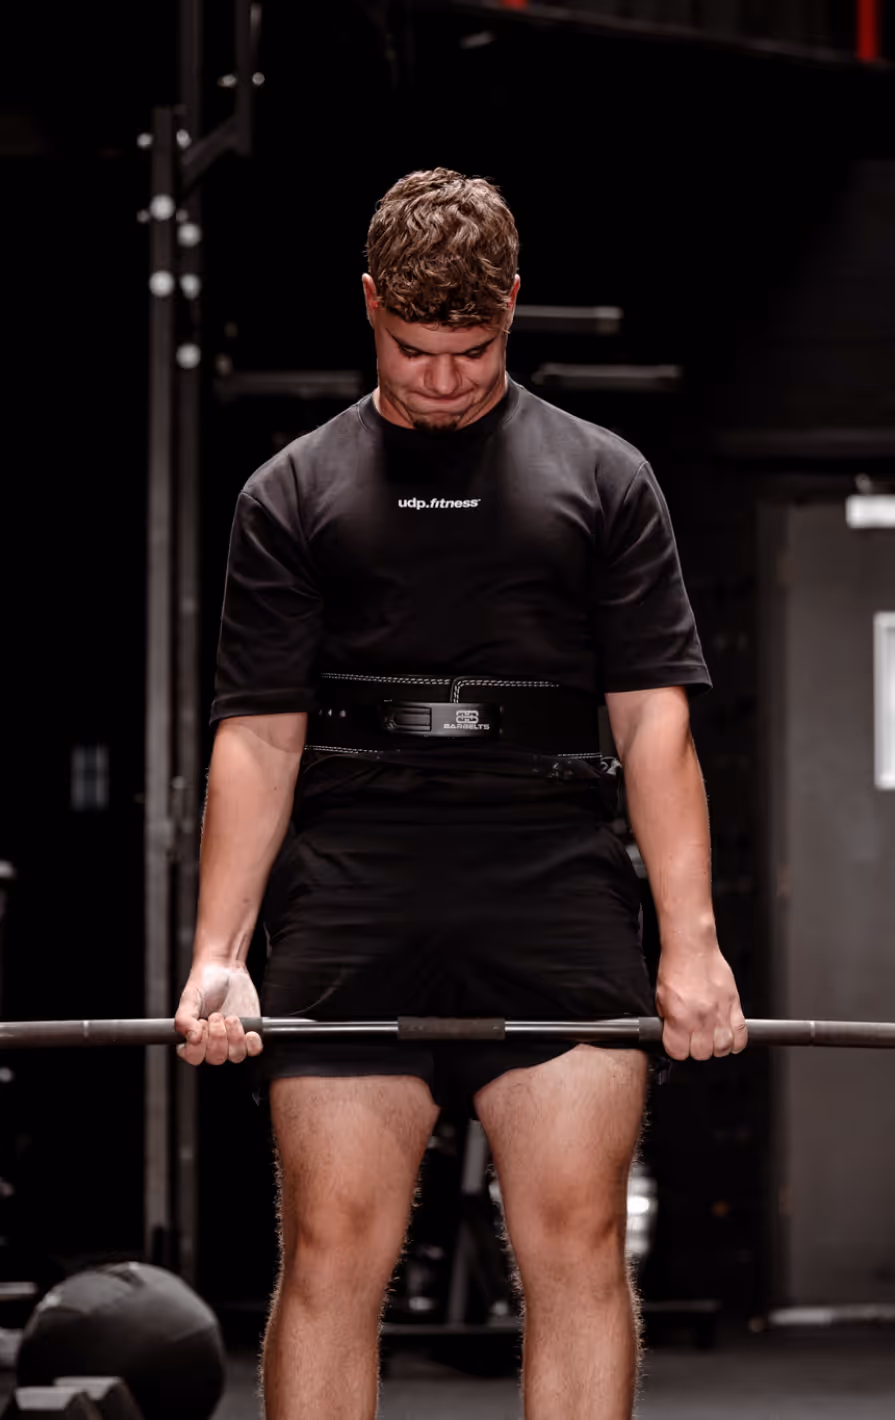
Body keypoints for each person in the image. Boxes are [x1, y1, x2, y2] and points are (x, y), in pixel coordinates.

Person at [175, 168, 747, 1420]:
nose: (442, 378)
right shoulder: (289, 492)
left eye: (473, 349)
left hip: (552, 867)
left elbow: (652, 719)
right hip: (357, 873)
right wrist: (218, 952)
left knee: (577, 1248)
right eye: (413, 348)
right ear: (370, 305)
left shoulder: (606, 479)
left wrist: (694, 947)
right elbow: (261, 738)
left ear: (514, 308)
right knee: (329, 1254)